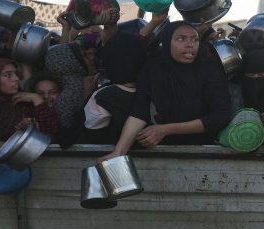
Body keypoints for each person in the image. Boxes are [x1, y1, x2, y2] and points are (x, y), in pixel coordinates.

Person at [99, 20, 233, 158]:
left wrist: (166, 129)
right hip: (161, 149)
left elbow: (220, 116)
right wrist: (119, 152)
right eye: (181, 39)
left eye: (195, 39)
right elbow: (139, 112)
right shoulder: (152, 69)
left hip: (204, 150)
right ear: (167, 41)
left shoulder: (211, 71)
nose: (190, 44)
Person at [83, 33, 146, 146]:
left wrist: (88, 94)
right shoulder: (155, 90)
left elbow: (92, 136)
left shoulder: (103, 96)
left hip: (111, 160)